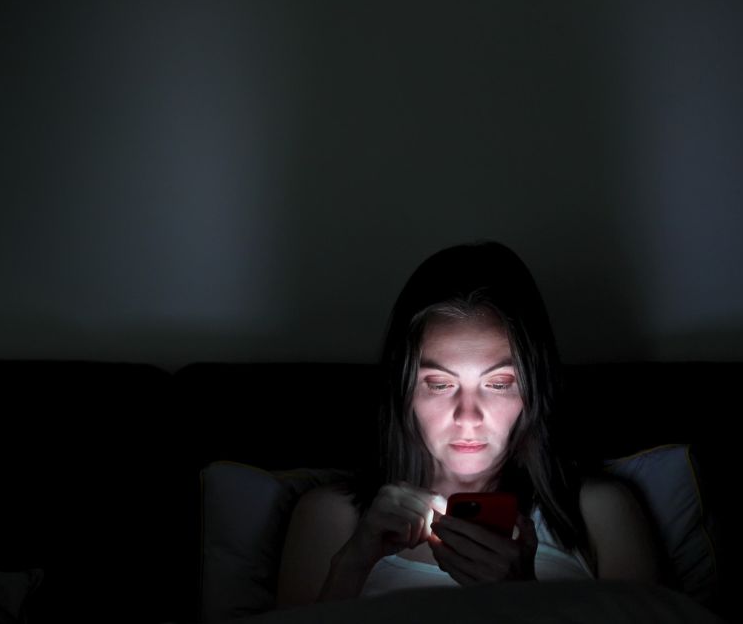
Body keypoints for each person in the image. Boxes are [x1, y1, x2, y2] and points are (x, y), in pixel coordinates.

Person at [275, 240, 663, 607]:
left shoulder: (599, 514)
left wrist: (522, 599)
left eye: (497, 384)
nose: (468, 415)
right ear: (404, 392)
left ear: (533, 390)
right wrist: (353, 565)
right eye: (440, 384)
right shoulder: (332, 519)